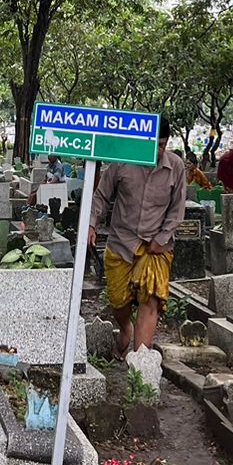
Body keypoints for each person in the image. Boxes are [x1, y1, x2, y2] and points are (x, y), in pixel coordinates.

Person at [88, 115, 187, 358]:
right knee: (118, 302)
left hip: (155, 247)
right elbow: (101, 196)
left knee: (151, 299)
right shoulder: (122, 163)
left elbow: (177, 210)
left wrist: (162, 239)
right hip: (121, 243)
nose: (157, 150)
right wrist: (91, 225)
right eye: (153, 144)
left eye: (162, 144)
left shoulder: (175, 167)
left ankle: (139, 365)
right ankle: (125, 328)